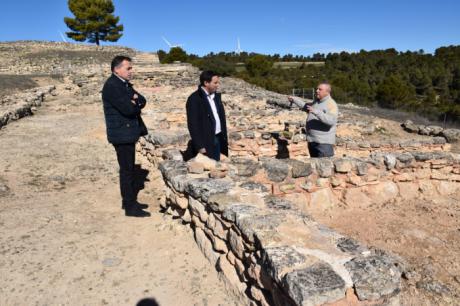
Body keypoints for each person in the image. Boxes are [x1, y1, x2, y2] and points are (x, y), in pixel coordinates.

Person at [102, 55, 150, 217]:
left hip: (127, 133)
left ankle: (130, 201)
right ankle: (130, 207)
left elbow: (142, 100)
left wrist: (135, 100)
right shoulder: (112, 86)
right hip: (121, 134)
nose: (131, 71)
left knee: (129, 169)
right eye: (128, 68)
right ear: (117, 69)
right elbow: (129, 110)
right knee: (127, 170)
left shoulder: (123, 85)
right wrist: (134, 102)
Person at [186, 70, 228, 161]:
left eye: (218, 82)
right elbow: (193, 125)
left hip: (218, 136)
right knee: (211, 166)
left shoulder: (216, 96)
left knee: (217, 163)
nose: (218, 85)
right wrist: (200, 146)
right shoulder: (194, 99)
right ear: (206, 83)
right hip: (206, 140)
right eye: (215, 83)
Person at [288, 82, 338, 157]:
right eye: (317, 89)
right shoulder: (317, 101)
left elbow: (331, 121)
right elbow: (307, 107)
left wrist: (316, 112)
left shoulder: (331, 104)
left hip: (323, 144)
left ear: (327, 92)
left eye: (320, 89)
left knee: (324, 166)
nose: (317, 91)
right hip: (312, 141)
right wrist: (295, 100)